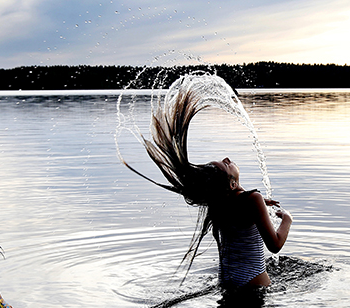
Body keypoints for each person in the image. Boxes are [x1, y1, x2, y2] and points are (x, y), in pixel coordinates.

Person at [121, 75, 292, 288]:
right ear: (231, 184)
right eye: (225, 164)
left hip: (226, 282)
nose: (227, 159)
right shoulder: (251, 200)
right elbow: (275, 245)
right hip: (252, 285)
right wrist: (287, 220)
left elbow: (238, 202)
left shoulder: (219, 203)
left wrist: (259, 204)